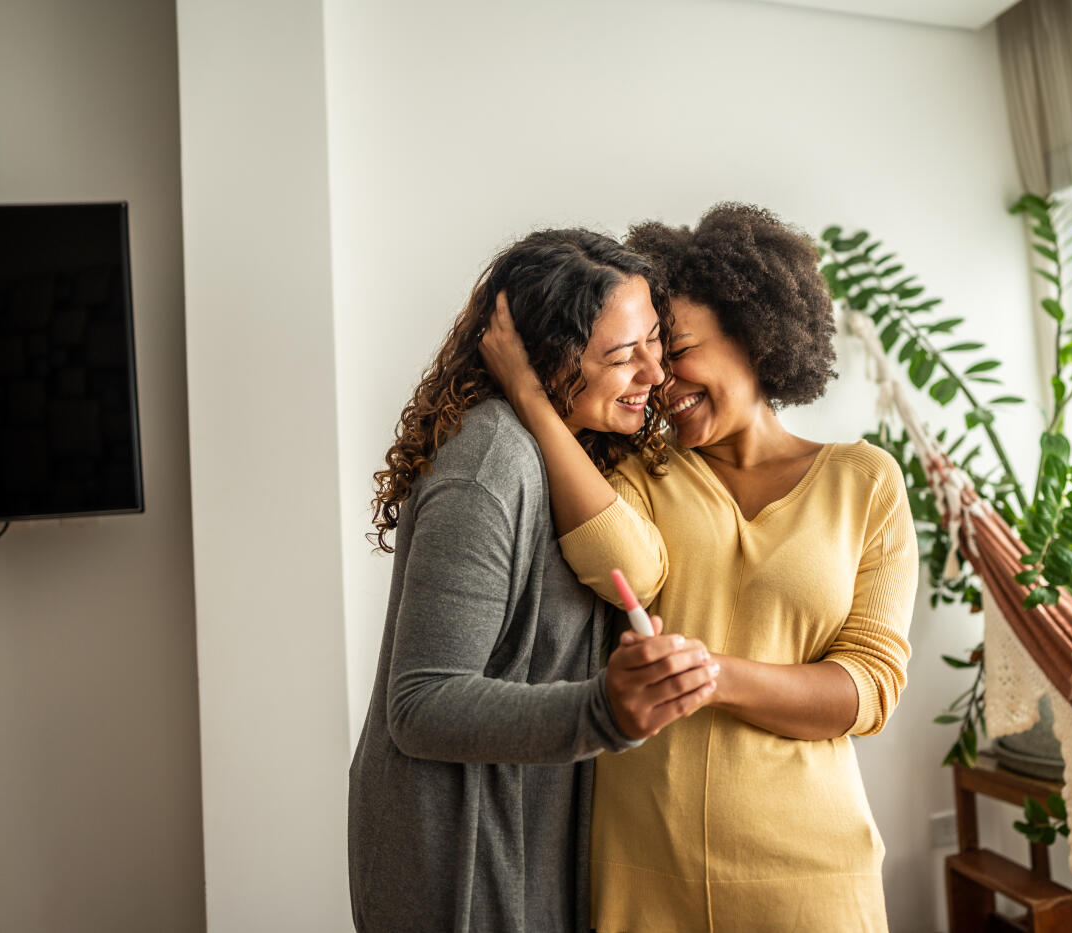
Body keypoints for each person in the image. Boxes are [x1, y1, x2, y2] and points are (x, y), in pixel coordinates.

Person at [481, 204, 919, 931]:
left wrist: (708, 673)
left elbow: (867, 690)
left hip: (811, 875)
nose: (657, 378)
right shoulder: (642, 469)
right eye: (643, 355)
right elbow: (622, 565)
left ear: (753, 333)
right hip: (645, 873)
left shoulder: (865, 482)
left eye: (674, 347)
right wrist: (533, 400)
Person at [347, 228, 720, 933]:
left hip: (518, 837)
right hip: (454, 861)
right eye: (620, 356)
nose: (655, 374)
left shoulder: (571, 450)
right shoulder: (490, 465)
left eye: (654, 342)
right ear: (547, 361)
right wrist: (605, 709)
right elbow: (420, 703)